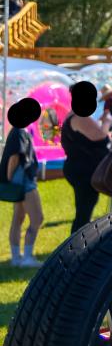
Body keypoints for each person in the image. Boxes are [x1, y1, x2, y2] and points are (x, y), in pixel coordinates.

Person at [60, 81, 111, 232]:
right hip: (84, 172)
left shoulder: (74, 115)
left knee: (83, 210)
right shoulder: (79, 117)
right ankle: (77, 243)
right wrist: (107, 122)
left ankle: (78, 240)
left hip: (79, 169)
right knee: (83, 213)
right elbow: (100, 136)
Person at [2, 99, 44, 267]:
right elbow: (14, 157)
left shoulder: (18, 131)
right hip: (24, 182)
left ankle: (16, 258)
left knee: (18, 218)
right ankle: (27, 258)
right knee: (37, 218)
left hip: (21, 182)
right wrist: (10, 178)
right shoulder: (19, 132)